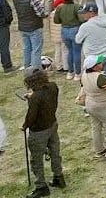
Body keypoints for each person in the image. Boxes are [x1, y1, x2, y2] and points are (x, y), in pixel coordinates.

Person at [22, 64, 64, 195]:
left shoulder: (35, 97)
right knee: (55, 152)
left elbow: (31, 116)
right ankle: (59, 177)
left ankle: (41, 186)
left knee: (36, 159)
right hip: (52, 124)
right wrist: (32, 96)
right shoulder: (53, 86)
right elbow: (45, 98)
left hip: (39, 131)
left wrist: (24, 126)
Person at [79, 52, 106, 161]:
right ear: (94, 67)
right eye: (99, 62)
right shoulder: (100, 77)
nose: (101, 63)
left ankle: (99, 150)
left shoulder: (84, 75)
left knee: (96, 127)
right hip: (102, 104)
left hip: (89, 103)